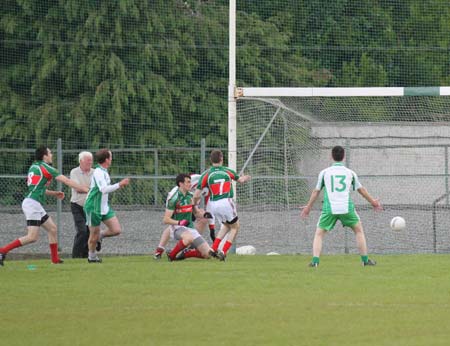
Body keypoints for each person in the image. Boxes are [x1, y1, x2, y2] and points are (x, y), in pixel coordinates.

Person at [0, 146, 89, 266]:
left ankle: (55, 259)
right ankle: (2, 251)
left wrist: (54, 193)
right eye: (50, 153)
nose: (52, 155)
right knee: (32, 237)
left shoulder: (34, 167)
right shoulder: (45, 167)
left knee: (52, 229)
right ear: (44, 156)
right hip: (32, 204)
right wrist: (84, 188)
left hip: (33, 203)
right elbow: (66, 181)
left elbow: (37, 188)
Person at [300, 145, 383, 267]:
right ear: (343, 156)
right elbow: (361, 190)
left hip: (329, 209)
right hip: (346, 208)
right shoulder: (350, 173)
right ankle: (365, 261)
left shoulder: (324, 173)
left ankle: (315, 262)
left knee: (319, 234)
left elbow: (316, 191)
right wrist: (373, 202)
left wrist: (308, 208)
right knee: (358, 230)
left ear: (331, 156)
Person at [192, 149, 251, 260]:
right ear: (221, 159)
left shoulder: (206, 174)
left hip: (214, 204)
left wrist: (194, 205)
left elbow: (196, 195)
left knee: (226, 226)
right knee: (235, 227)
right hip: (226, 202)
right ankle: (223, 251)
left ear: (211, 160)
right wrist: (246, 177)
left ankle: (213, 249)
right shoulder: (227, 171)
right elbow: (241, 180)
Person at [153, 173, 215, 259]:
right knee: (188, 237)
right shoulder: (174, 198)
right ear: (181, 184)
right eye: (188, 182)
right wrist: (179, 222)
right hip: (178, 227)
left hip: (190, 228)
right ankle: (167, 253)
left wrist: (204, 215)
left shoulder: (191, 196)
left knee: (208, 254)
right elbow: (166, 219)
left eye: (190, 182)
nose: (190, 184)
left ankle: (186, 253)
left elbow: (196, 212)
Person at [84, 149, 130, 263]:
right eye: (110, 157)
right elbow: (103, 189)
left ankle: (100, 235)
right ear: (106, 159)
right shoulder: (98, 172)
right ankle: (92, 257)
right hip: (93, 207)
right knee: (93, 236)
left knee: (116, 230)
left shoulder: (104, 171)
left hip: (104, 207)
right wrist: (120, 184)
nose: (111, 159)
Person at [70, 151, 94, 258]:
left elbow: (97, 188)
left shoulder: (94, 172)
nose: (90, 162)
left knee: (90, 232)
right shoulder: (74, 172)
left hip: (90, 206)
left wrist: (84, 188)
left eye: (91, 160)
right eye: (88, 160)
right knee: (82, 231)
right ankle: (75, 255)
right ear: (81, 161)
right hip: (77, 205)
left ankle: (85, 255)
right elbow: (77, 188)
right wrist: (89, 189)